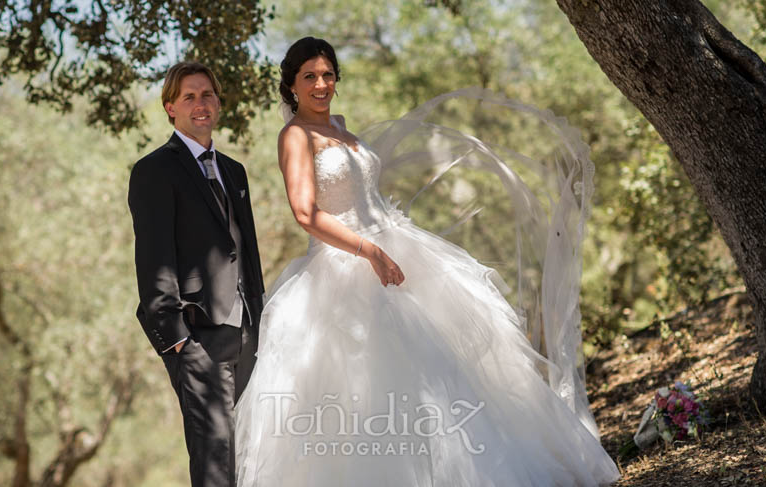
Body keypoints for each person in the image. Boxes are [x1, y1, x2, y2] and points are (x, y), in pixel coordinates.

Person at [235, 37, 620, 486]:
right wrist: (368, 250)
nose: (321, 84)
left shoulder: (340, 126)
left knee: (448, 369)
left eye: (328, 75)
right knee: (375, 384)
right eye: (310, 77)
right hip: (345, 267)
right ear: (292, 85)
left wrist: (388, 243)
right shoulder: (296, 136)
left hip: (397, 246)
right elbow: (306, 214)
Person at [128, 61, 265, 487]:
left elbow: (246, 252)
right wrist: (177, 341)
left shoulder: (234, 171)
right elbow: (153, 259)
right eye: (189, 96)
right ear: (171, 108)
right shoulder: (154, 170)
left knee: (247, 451)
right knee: (214, 459)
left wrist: (261, 321)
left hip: (246, 333)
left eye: (207, 95)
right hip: (197, 335)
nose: (200, 104)